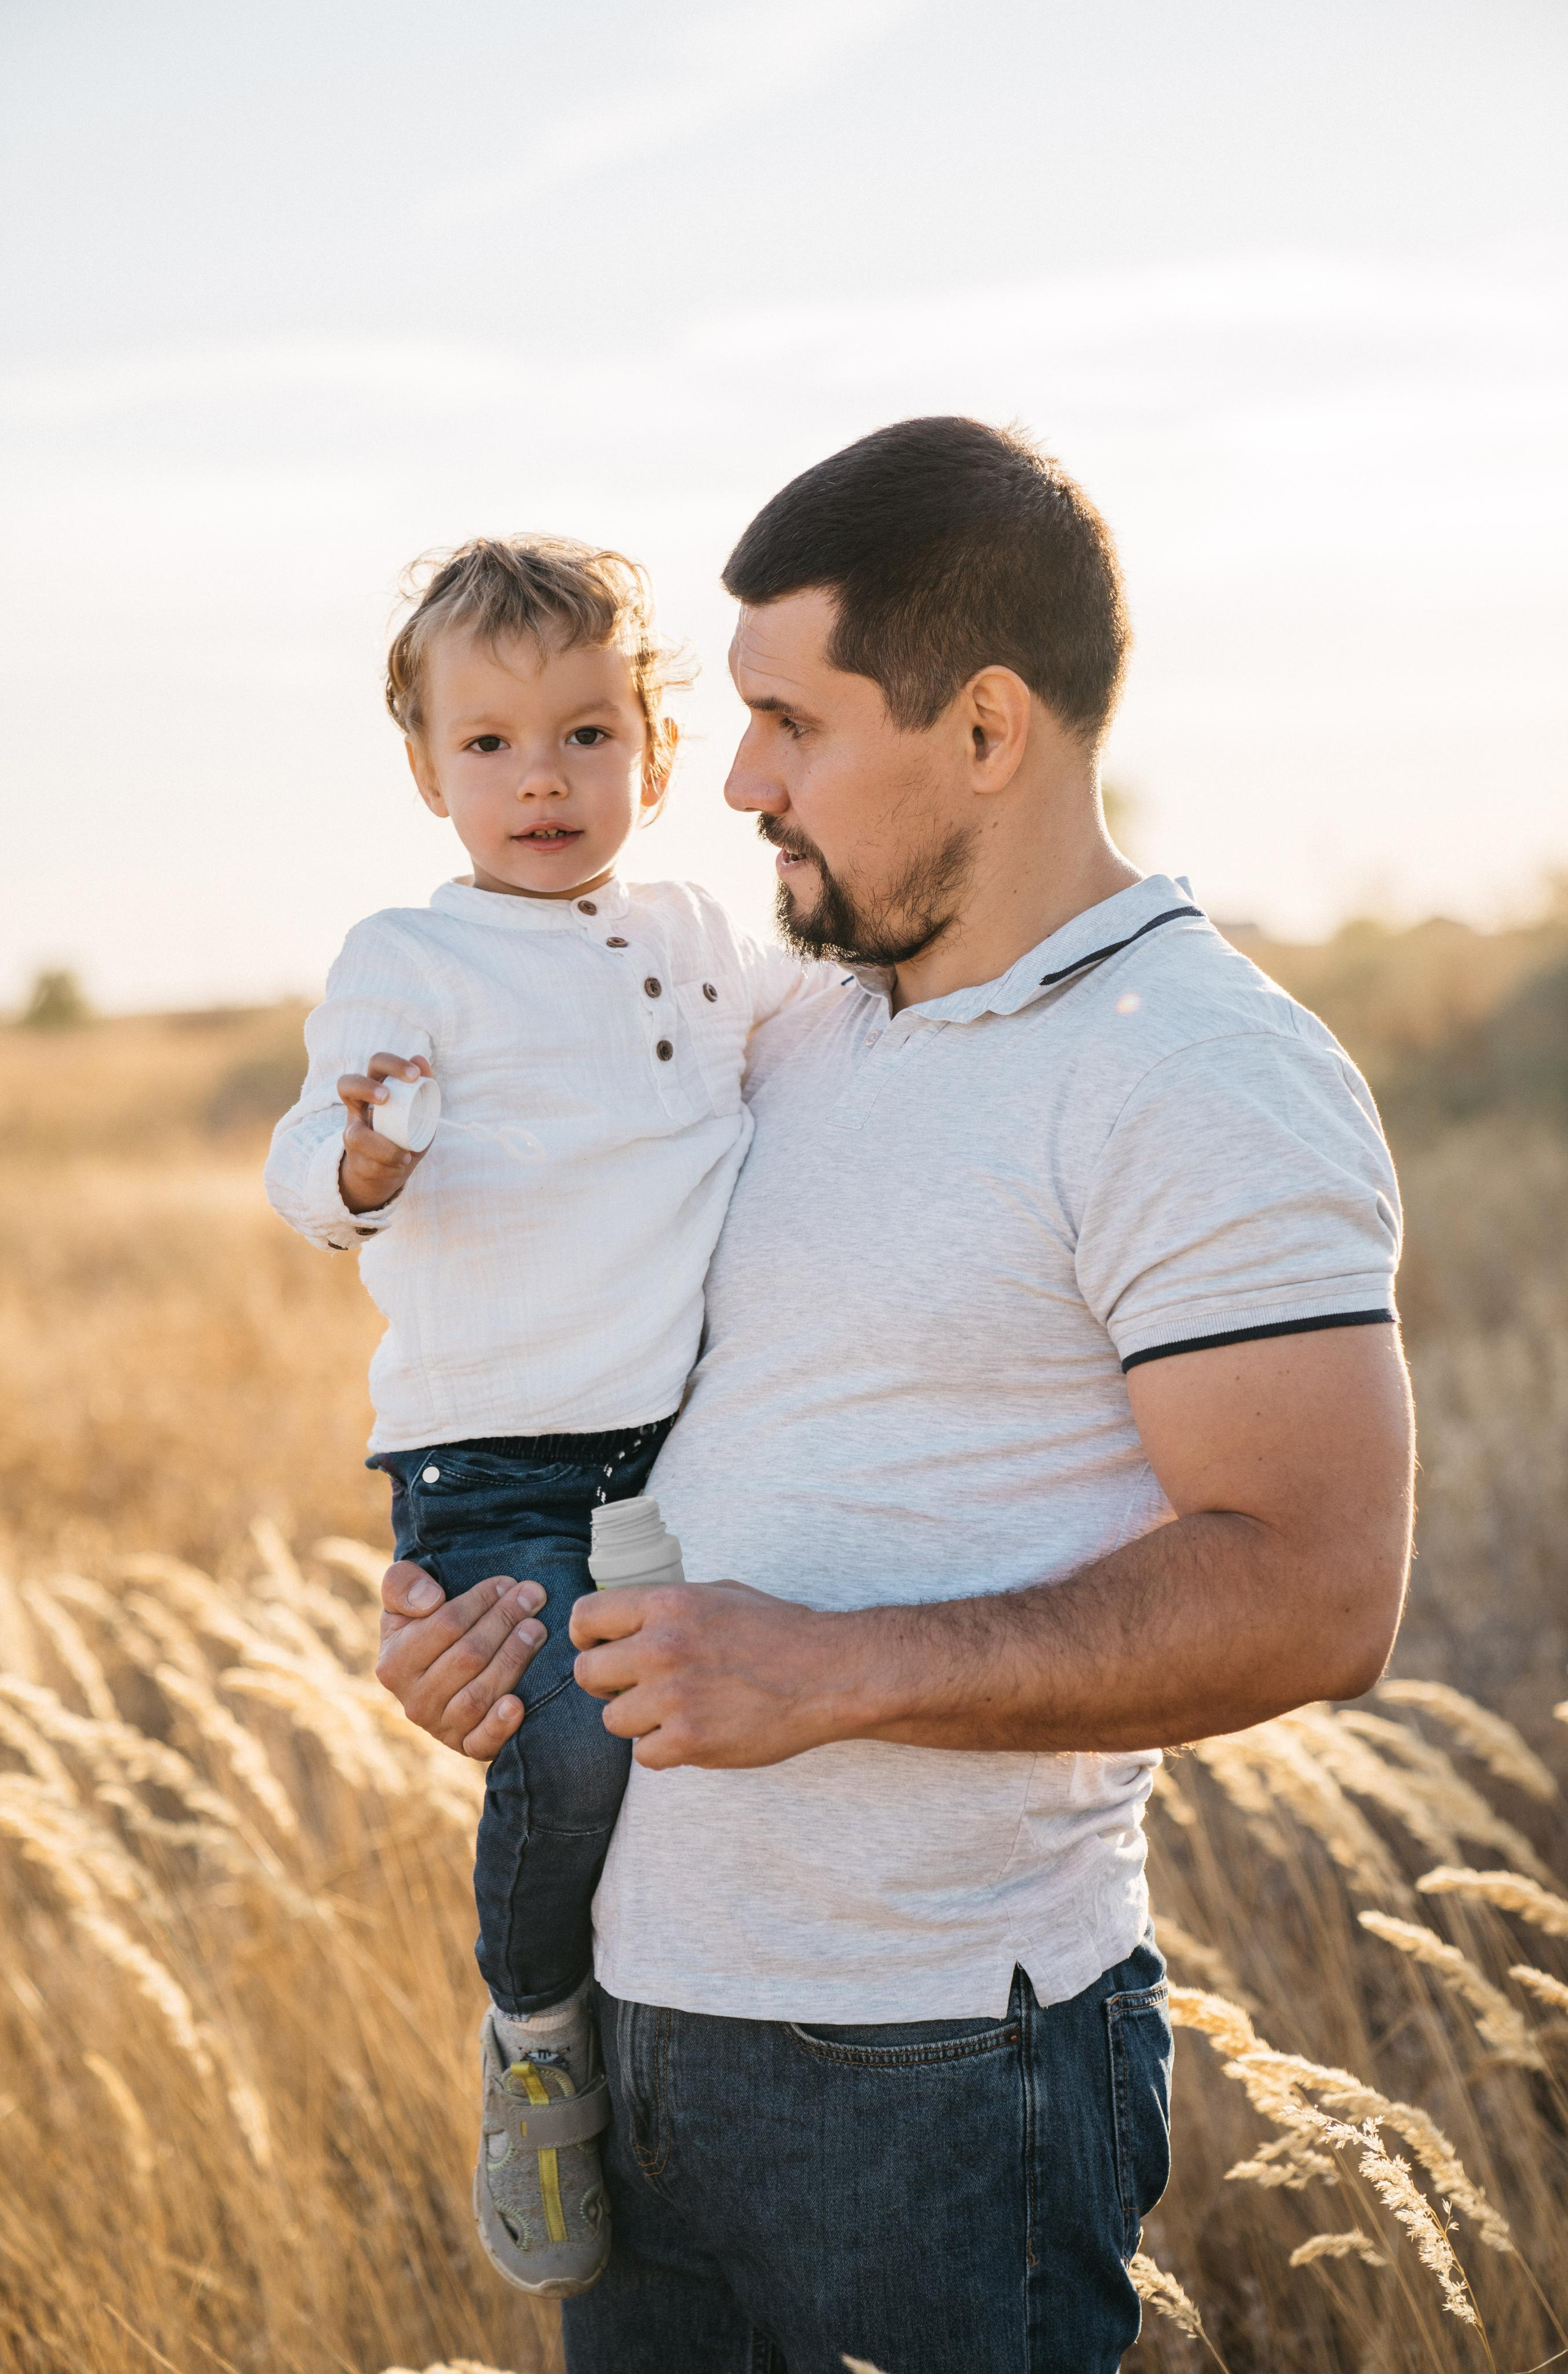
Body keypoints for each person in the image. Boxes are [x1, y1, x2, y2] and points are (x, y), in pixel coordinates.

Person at [375, 418, 1415, 2374]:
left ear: (989, 729)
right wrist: (477, 1611)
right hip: (636, 2021)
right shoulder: (795, 1022)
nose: (739, 780)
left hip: (936, 2073)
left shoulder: (1195, 1069)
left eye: (792, 722)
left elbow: (1320, 1591)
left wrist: (833, 1671)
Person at [263, 536, 813, 2297]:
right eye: (489, 744)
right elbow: (303, 1167)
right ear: (428, 769)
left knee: (711, 1736)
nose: (542, 779)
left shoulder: (701, 934)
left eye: (586, 734)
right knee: (565, 1745)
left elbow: (810, 1042)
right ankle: (536, 2035)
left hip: (678, 1443)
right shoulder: (409, 957)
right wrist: (362, 1159)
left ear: (654, 753)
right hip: (492, 1454)